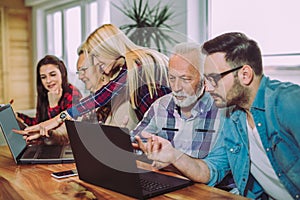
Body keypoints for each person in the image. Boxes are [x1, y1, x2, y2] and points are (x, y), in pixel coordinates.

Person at [135, 32, 300, 199]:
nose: (208, 88)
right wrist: (173, 156)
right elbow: (211, 170)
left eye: (214, 78)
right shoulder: (233, 117)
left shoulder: (289, 102)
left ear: (245, 75)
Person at [16, 24, 171, 141]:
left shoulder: (139, 63)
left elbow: (101, 97)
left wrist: (56, 120)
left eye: (96, 56)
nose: (96, 63)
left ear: (109, 47)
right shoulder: (132, 64)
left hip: (171, 140)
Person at [131, 42, 222, 169]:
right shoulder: (161, 106)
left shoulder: (222, 112)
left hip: (206, 187)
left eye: (186, 79)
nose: (176, 87)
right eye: (172, 78)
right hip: (169, 181)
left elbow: (219, 169)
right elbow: (136, 142)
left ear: (204, 79)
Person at [16, 55, 82, 126]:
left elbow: (61, 132)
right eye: (43, 77)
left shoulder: (73, 95)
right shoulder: (45, 93)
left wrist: (53, 106)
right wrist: (18, 116)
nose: (48, 80)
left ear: (62, 74)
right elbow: (39, 123)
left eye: (52, 75)